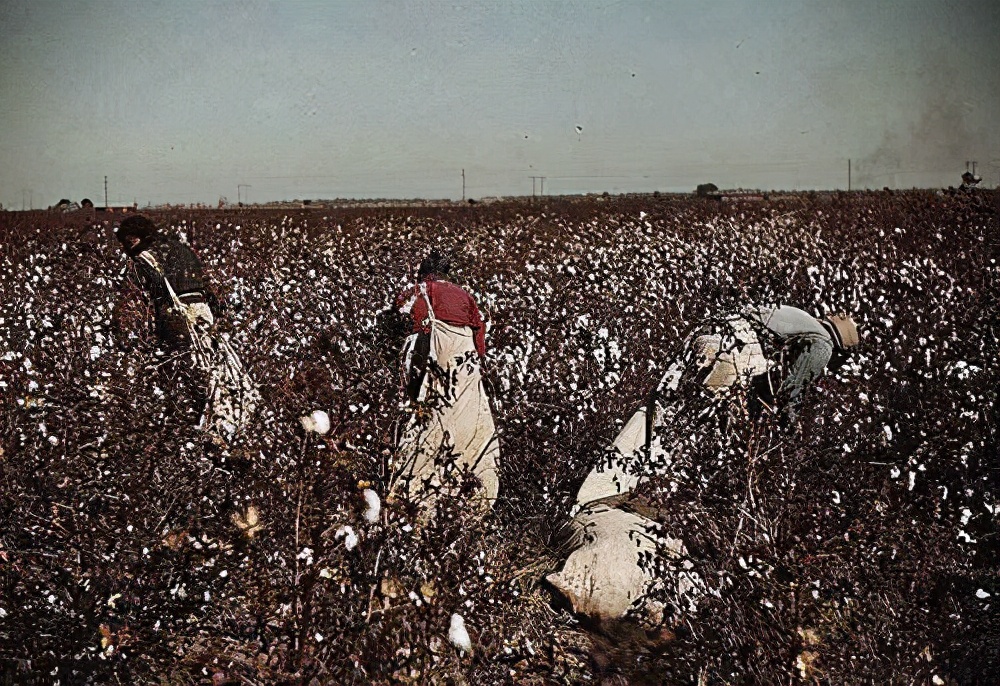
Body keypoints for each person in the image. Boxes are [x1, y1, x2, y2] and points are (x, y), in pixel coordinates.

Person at [114, 214, 259, 440]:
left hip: (176, 316)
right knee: (212, 364)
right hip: (203, 312)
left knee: (181, 369)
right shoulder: (182, 250)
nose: (126, 249)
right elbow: (209, 287)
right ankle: (223, 415)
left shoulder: (145, 258)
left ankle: (191, 421)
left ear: (136, 238)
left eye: (127, 242)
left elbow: (139, 299)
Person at [388, 249, 499, 513]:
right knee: (467, 417)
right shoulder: (465, 295)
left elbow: (402, 316)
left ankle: (411, 487)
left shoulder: (420, 290)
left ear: (425, 272)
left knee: (425, 414)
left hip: (432, 355)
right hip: (465, 360)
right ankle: (471, 485)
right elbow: (479, 335)